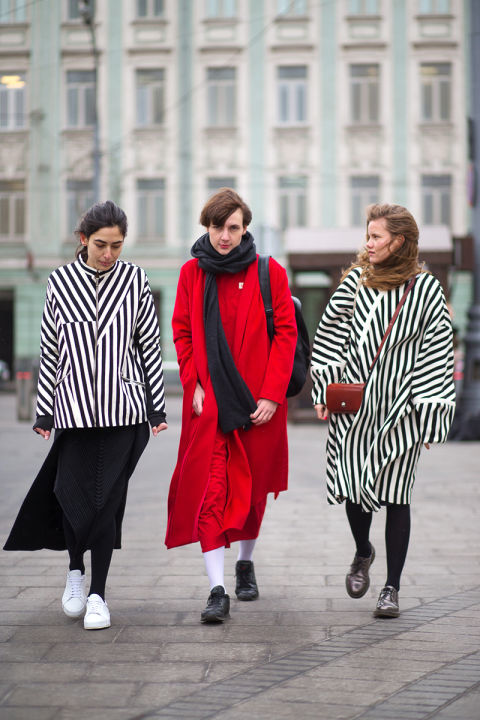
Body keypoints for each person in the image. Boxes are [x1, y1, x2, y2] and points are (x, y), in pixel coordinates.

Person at [4, 200, 167, 630]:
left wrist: (156, 407)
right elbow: (51, 351)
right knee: (71, 497)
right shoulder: (59, 282)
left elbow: (149, 347)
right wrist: (44, 411)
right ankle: (74, 571)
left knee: (106, 504)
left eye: (116, 245)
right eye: (100, 245)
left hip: (124, 413)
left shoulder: (135, 280)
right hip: (73, 412)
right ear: (83, 239)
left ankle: (98, 595)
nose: (109, 254)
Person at [311, 203, 455, 618]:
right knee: (353, 488)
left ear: (399, 241)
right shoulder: (356, 281)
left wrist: (428, 413)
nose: (368, 244)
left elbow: (436, 351)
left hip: (401, 412)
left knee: (397, 496)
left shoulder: (425, 290)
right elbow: (330, 336)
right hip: (354, 406)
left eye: (376, 237)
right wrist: (325, 388)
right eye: (368, 236)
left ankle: (391, 588)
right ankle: (363, 551)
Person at [165, 188, 297, 623]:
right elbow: (182, 332)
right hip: (211, 407)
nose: (224, 236)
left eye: (233, 227)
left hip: (258, 406)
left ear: (245, 229)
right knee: (211, 493)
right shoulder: (191, 273)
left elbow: (287, 335)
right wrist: (193, 384)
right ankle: (217, 589)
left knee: (253, 493)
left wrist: (272, 394)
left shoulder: (269, 272)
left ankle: (245, 562)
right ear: (206, 226)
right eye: (217, 227)